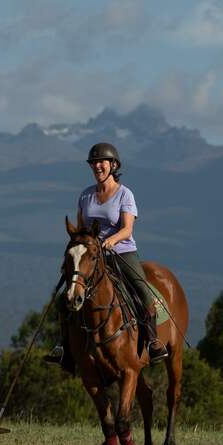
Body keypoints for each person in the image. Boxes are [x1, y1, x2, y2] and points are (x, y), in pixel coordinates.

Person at [46, 142, 169, 367]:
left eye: (101, 162)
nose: (97, 166)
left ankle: (153, 341)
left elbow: (127, 229)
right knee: (67, 295)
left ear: (113, 165)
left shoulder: (125, 194)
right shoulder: (85, 196)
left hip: (121, 252)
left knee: (141, 289)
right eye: (93, 163)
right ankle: (63, 346)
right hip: (92, 255)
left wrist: (110, 240)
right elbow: (82, 229)